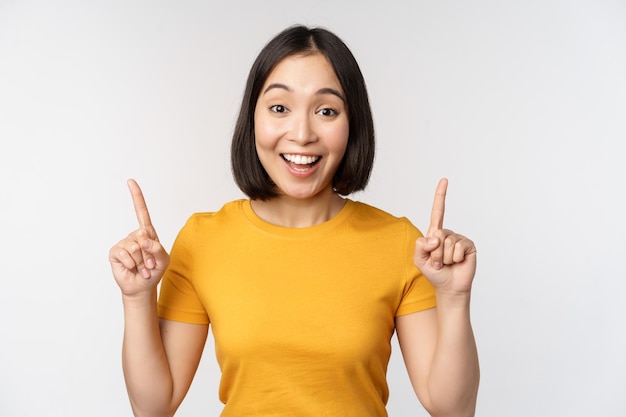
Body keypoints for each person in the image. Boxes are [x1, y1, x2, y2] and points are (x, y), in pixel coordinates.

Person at [109, 25, 479, 417]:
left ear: (352, 124)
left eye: (326, 111)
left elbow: (451, 409)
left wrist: (454, 299)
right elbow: (153, 407)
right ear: (253, 117)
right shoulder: (204, 239)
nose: (302, 134)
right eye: (280, 108)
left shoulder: (401, 243)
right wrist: (137, 299)